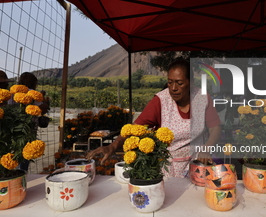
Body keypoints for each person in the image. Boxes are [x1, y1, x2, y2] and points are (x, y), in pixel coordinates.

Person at [87, 60, 222, 178]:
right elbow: (134, 128)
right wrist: (113, 146)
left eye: (179, 83)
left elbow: (215, 127)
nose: (174, 88)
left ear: (190, 83)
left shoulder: (202, 98)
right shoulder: (160, 101)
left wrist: (206, 148)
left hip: (197, 164)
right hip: (169, 167)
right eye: (170, 82)